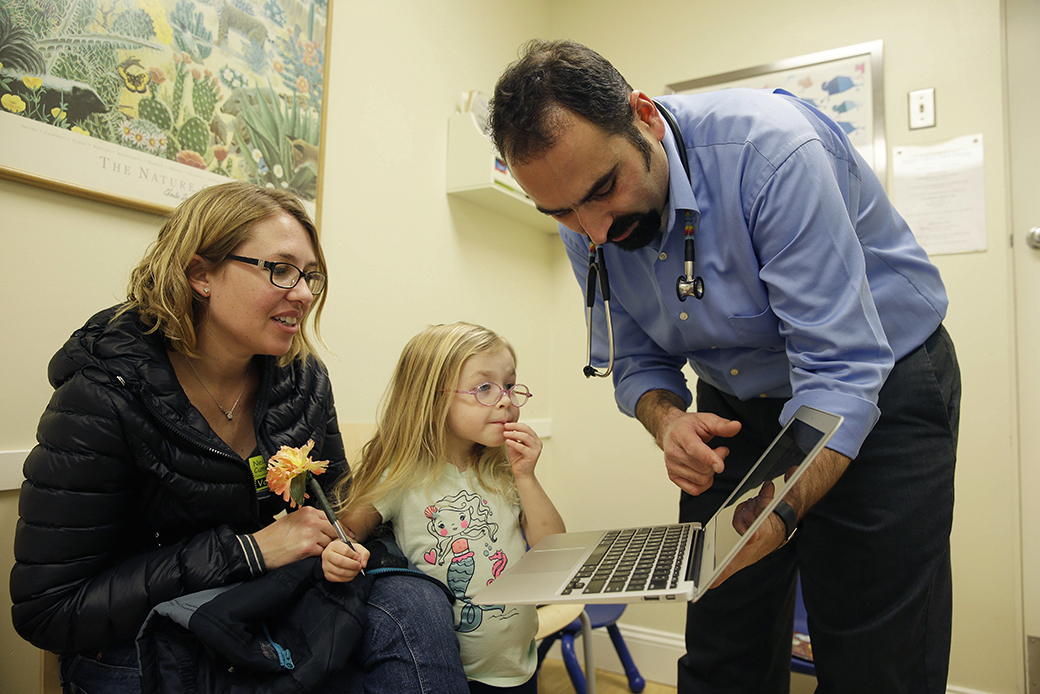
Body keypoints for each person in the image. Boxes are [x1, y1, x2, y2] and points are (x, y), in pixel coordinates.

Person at [489, 39, 961, 694]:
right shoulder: (585, 220)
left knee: (874, 661)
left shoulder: (772, 154)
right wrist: (668, 420)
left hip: (877, 382)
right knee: (721, 651)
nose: (593, 231)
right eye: (562, 213)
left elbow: (840, 373)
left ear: (644, 117)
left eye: (603, 190)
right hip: (738, 405)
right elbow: (638, 360)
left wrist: (773, 516)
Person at [10, 181, 468, 693]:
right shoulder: (102, 397)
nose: (303, 294)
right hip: (150, 630)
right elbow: (49, 610)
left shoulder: (303, 381)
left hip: (268, 604)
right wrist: (247, 552)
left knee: (416, 601)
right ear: (201, 274)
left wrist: (347, 544)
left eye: (311, 276)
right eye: (280, 269)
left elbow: (337, 508)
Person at [323, 322, 566, 693]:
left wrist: (528, 478)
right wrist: (340, 551)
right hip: (443, 670)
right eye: (484, 387)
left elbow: (554, 550)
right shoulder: (401, 474)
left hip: (518, 666)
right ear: (432, 399)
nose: (505, 400)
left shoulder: (503, 471)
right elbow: (348, 530)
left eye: (509, 386)